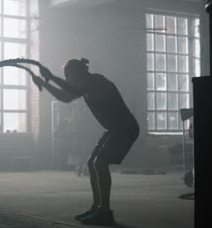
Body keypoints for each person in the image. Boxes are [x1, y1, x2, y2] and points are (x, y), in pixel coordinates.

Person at [34, 58, 139, 226]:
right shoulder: (84, 86)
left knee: (100, 164)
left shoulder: (95, 80)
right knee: (92, 163)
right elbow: (65, 96)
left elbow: (69, 91)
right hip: (114, 129)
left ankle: (105, 212)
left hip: (124, 128)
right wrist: (45, 83)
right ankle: (97, 207)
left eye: (68, 75)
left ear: (77, 72)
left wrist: (51, 77)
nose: (67, 78)